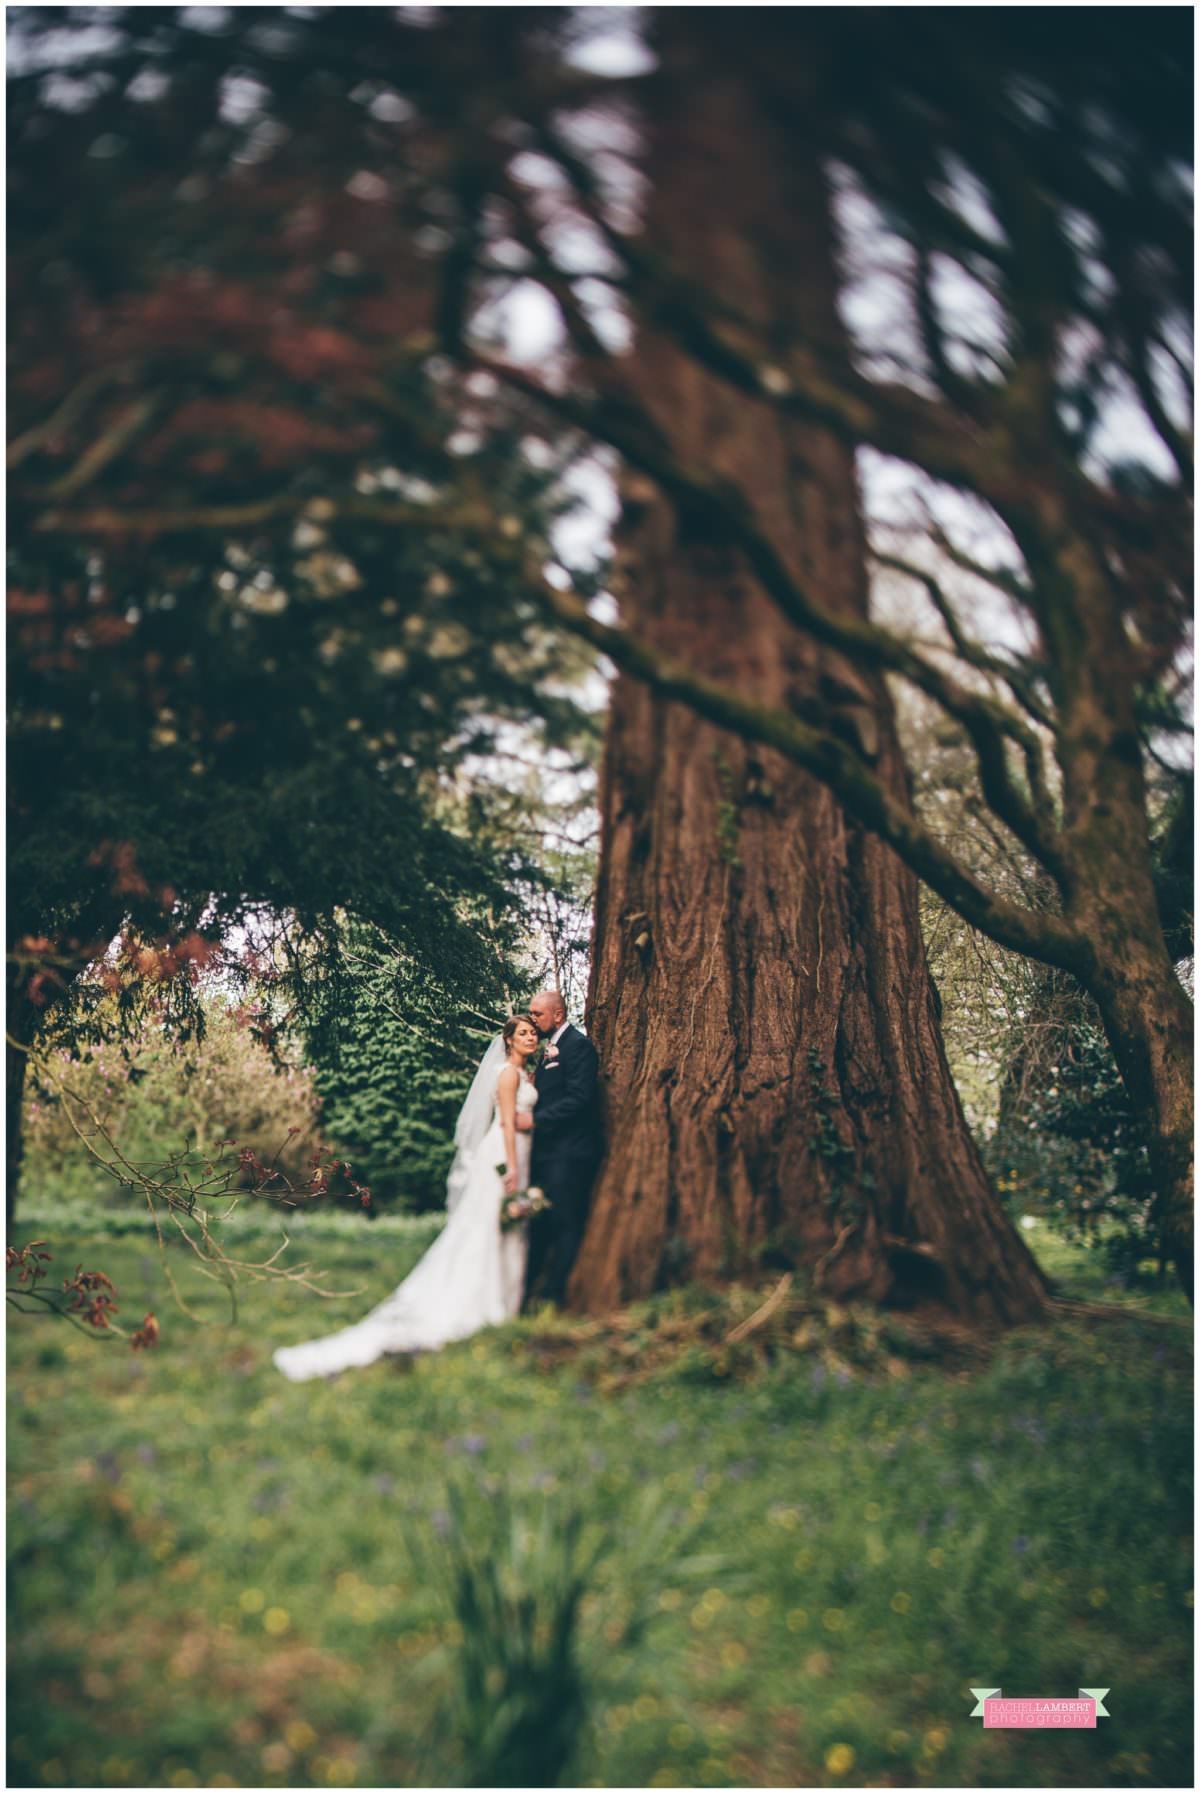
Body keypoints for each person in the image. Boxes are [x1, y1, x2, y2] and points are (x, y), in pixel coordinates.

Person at [271, 1014, 540, 1381]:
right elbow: (508, 1121)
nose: (531, 1037)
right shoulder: (508, 1074)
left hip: (519, 1152)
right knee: (489, 1228)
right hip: (504, 1155)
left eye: (534, 1033)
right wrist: (512, 1167)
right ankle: (488, 1304)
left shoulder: (525, 1074)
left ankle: (505, 1300)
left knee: (506, 1228)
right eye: (523, 1033)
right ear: (508, 1040)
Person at [519, 990, 603, 1308]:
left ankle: (557, 1296)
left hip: (570, 1153)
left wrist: (535, 1119)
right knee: (542, 1222)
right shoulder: (548, 1050)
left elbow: (579, 1099)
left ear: (558, 1015)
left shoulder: (578, 1046)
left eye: (537, 1014)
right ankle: (535, 1290)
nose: (533, 1019)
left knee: (566, 1221)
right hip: (547, 1153)